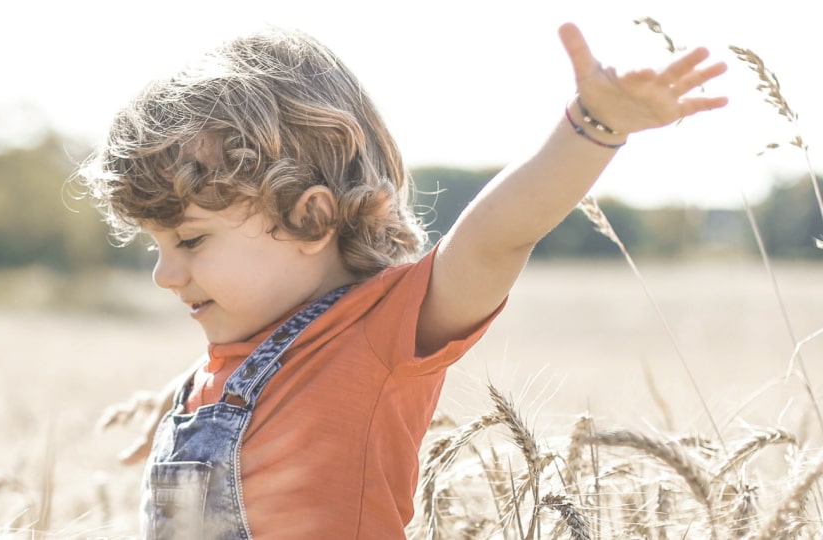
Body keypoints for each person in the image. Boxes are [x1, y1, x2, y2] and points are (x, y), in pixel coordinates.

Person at [74, 22, 728, 539]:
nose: (165, 274)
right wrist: (179, 399)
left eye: (189, 240)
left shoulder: (377, 337)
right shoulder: (223, 363)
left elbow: (494, 239)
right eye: (156, 246)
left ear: (311, 218)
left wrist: (593, 126)